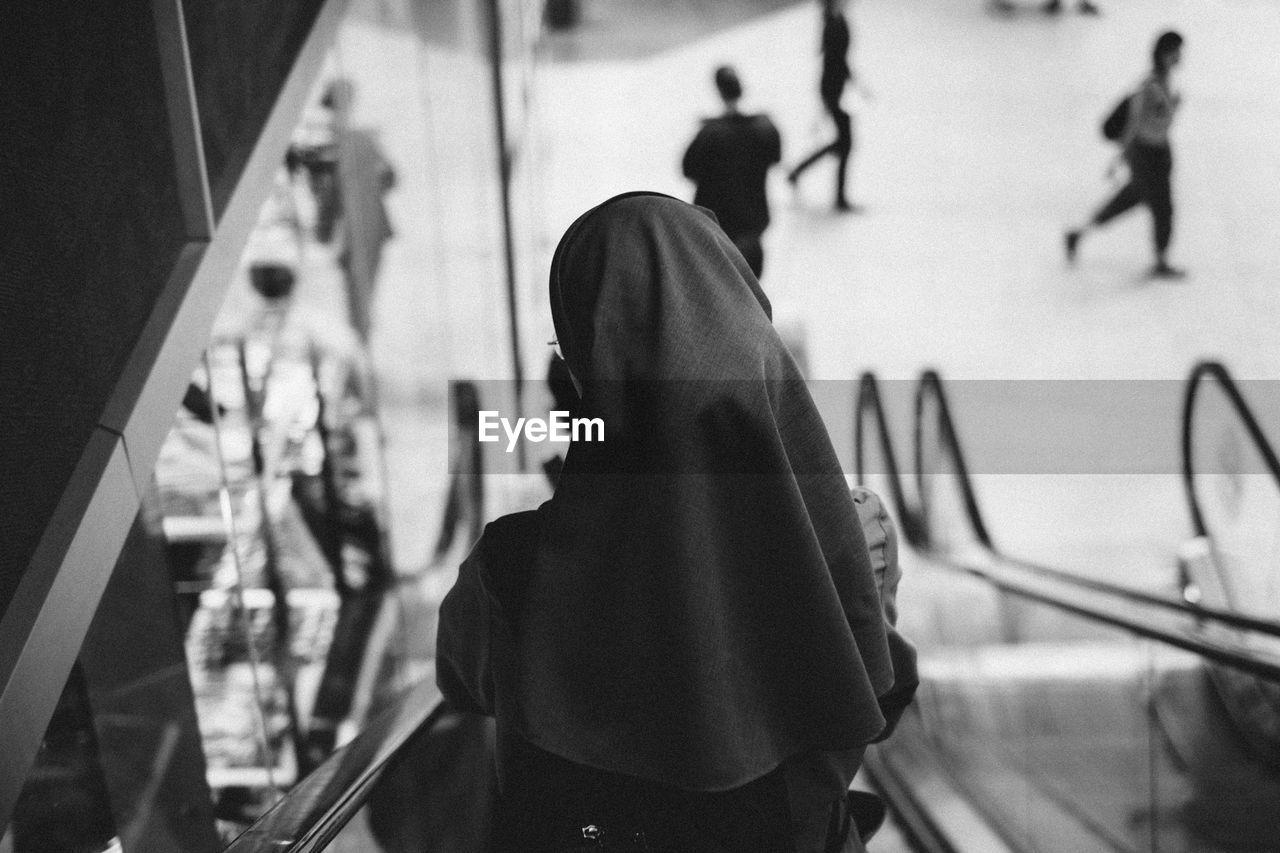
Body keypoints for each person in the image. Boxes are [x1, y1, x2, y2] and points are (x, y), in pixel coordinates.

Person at [436, 192, 917, 852]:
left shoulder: (513, 570)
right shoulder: (855, 533)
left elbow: (462, 681)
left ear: (587, 364)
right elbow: (878, 691)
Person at [1065, 31, 1185, 279]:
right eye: (1176, 51)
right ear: (1164, 54)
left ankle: (1078, 234)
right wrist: (1121, 157)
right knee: (1163, 208)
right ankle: (1161, 262)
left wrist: (1172, 107)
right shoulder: (1149, 85)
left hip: (1157, 153)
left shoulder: (1162, 82)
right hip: (1147, 155)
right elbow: (1134, 122)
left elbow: (1157, 119)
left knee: (1130, 198)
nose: (1179, 56)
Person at [681, 65, 782, 277]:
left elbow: (688, 169)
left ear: (718, 91)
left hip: (717, 223)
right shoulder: (764, 130)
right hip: (752, 220)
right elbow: (775, 157)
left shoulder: (709, 135)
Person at [787, 0, 858, 212]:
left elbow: (839, 59)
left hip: (835, 89)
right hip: (833, 91)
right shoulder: (833, 24)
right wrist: (833, 98)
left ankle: (799, 171)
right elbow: (834, 61)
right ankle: (839, 197)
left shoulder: (835, 20)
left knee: (842, 142)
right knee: (845, 143)